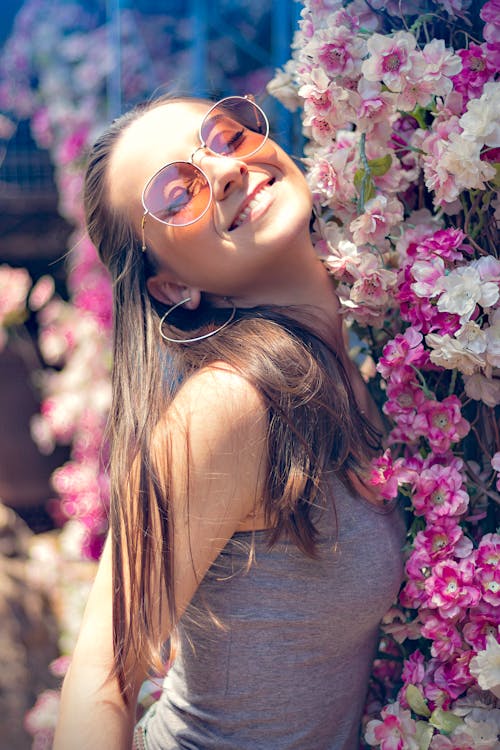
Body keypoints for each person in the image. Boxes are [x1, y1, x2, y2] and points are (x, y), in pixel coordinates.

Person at [53, 94, 406, 750]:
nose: (223, 171)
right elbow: (102, 676)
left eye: (224, 135)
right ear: (171, 288)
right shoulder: (231, 406)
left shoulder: (366, 350)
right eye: (176, 192)